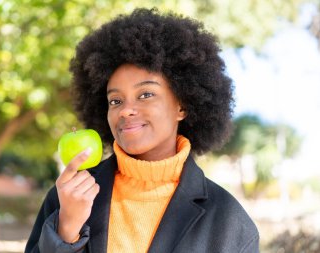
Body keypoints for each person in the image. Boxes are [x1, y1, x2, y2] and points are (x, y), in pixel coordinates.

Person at [25, 8, 259, 253]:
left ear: (182, 105)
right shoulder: (67, 198)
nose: (126, 110)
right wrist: (66, 231)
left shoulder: (230, 223)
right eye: (115, 101)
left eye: (146, 94)